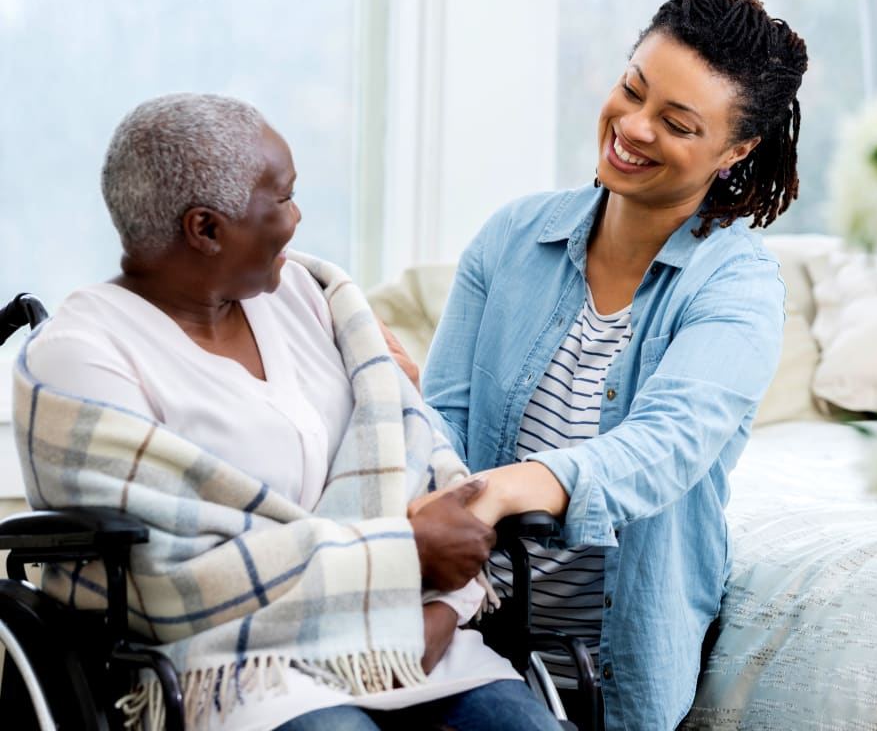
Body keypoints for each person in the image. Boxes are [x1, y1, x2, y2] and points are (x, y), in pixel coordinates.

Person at [12, 93, 562, 731]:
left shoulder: (312, 299)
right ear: (206, 229)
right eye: (282, 198)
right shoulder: (79, 357)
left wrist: (437, 615)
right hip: (232, 671)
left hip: (410, 636)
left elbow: (428, 471)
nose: (298, 216)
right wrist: (403, 553)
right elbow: (168, 579)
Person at [418, 0, 809, 729]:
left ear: (735, 151)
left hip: (608, 650)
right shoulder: (512, 237)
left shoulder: (737, 284)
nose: (632, 127)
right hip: (456, 617)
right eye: (632, 89)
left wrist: (519, 486)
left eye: (676, 123)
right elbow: (442, 422)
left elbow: (667, 445)